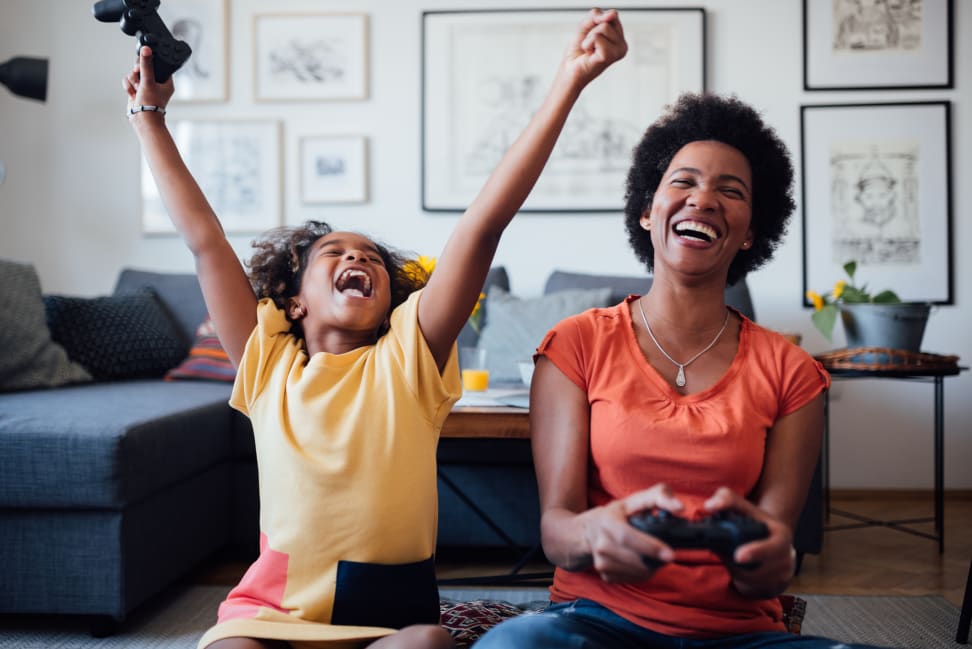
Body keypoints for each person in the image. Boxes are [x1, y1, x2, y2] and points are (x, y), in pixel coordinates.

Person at [122, 9, 626, 649]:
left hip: (390, 618)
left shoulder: (408, 359)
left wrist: (569, 82)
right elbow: (204, 241)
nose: (358, 259)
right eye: (334, 253)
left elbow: (483, 224)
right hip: (272, 611)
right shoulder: (268, 360)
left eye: (372, 258)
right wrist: (150, 120)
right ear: (294, 302)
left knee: (432, 645)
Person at [474, 95, 892, 648]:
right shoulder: (576, 343)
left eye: (731, 190)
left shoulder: (794, 372)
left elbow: (775, 556)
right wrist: (593, 533)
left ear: (749, 232)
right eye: (684, 182)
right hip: (591, 622)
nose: (704, 198)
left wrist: (762, 556)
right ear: (648, 211)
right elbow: (557, 528)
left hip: (739, 634)